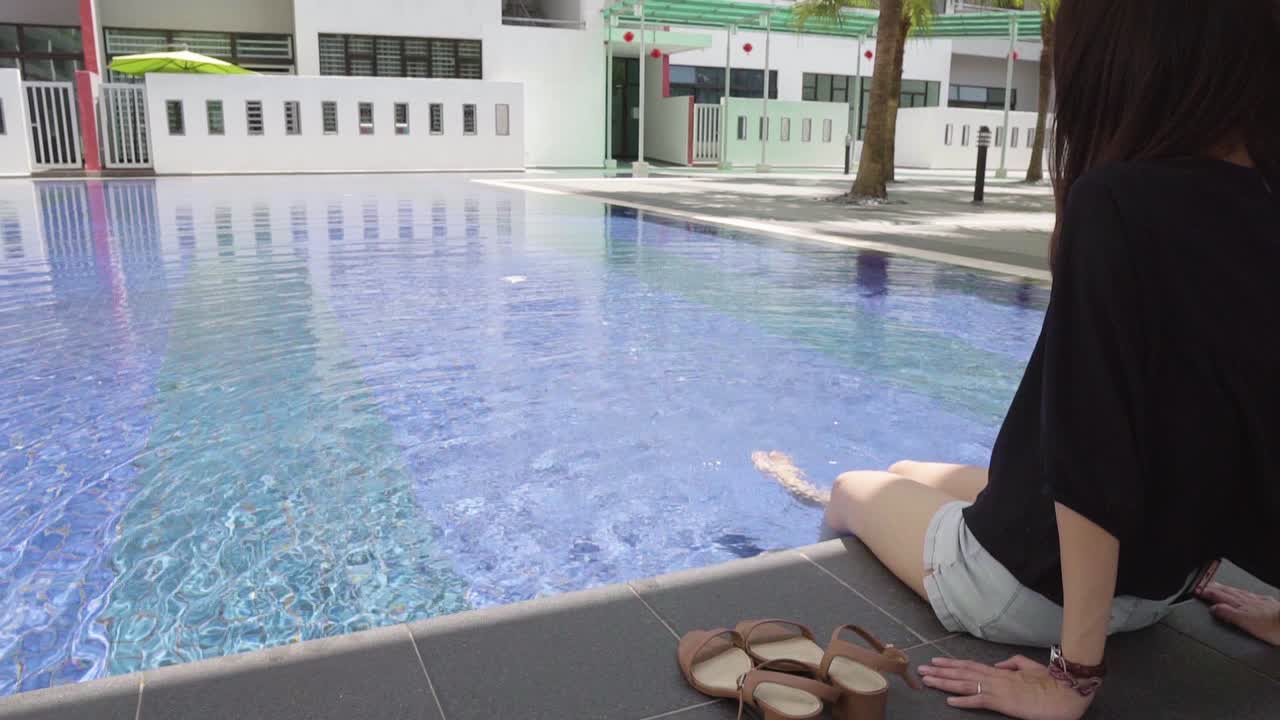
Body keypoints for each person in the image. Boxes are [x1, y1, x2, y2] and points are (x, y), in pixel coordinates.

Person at [820, 2, 1280, 718]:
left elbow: (1092, 463)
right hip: (1170, 579)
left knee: (853, 486)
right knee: (918, 471)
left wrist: (1074, 677)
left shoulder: (1120, 204)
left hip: (1033, 594)